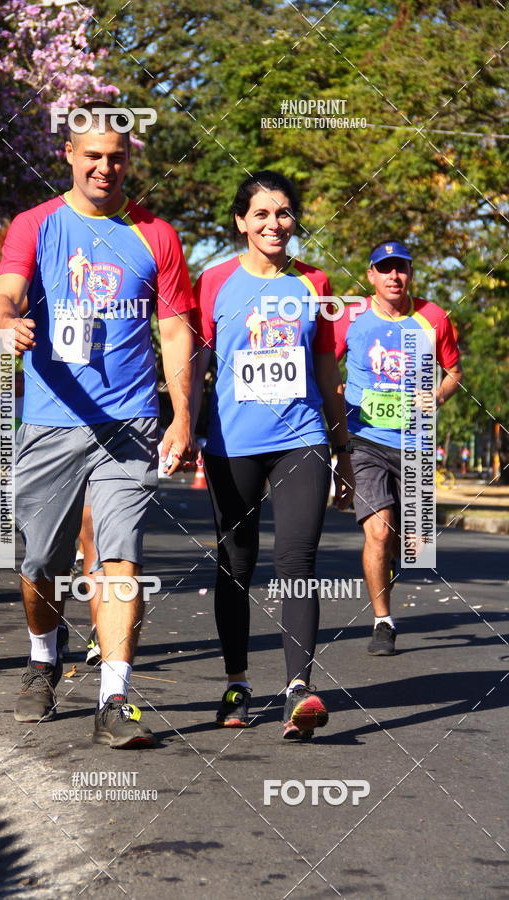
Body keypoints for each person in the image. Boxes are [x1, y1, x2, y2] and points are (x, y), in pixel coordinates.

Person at [0, 101, 195, 748]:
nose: (106, 167)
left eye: (118, 157)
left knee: (118, 560)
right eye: (94, 156)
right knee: (40, 560)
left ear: (129, 160)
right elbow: (6, 291)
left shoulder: (156, 234)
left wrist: (182, 414)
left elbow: (174, 329)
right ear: (70, 157)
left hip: (128, 422)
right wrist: (6, 323)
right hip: (51, 420)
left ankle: (114, 698)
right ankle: (43, 658)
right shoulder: (36, 224)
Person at [192, 171, 354, 741]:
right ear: (241, 222)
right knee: (236, 564)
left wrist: (343, 447)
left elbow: (328, 368)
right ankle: (236, 682)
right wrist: (185, 428)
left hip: (302, 438)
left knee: (297, 561)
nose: (273, 224)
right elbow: (194, 362)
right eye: (261, 214)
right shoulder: (212, 282)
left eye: (283, 213)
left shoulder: (317, 284)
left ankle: (298, 691)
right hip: (232, 442)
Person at [333, 240, 462, 655]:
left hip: (416, 442)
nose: (394, 276)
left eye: (401, 268)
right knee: (378, 530)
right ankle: (382, 621)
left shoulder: (433, 318)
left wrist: (437, 396)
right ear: (370, 275)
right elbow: (322, 364)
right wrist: (338, 399)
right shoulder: (350, 320)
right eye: (384, 268)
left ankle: (391, 562)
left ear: (410, 273)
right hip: (366, 439)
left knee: (414, 545)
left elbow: (454, 371)